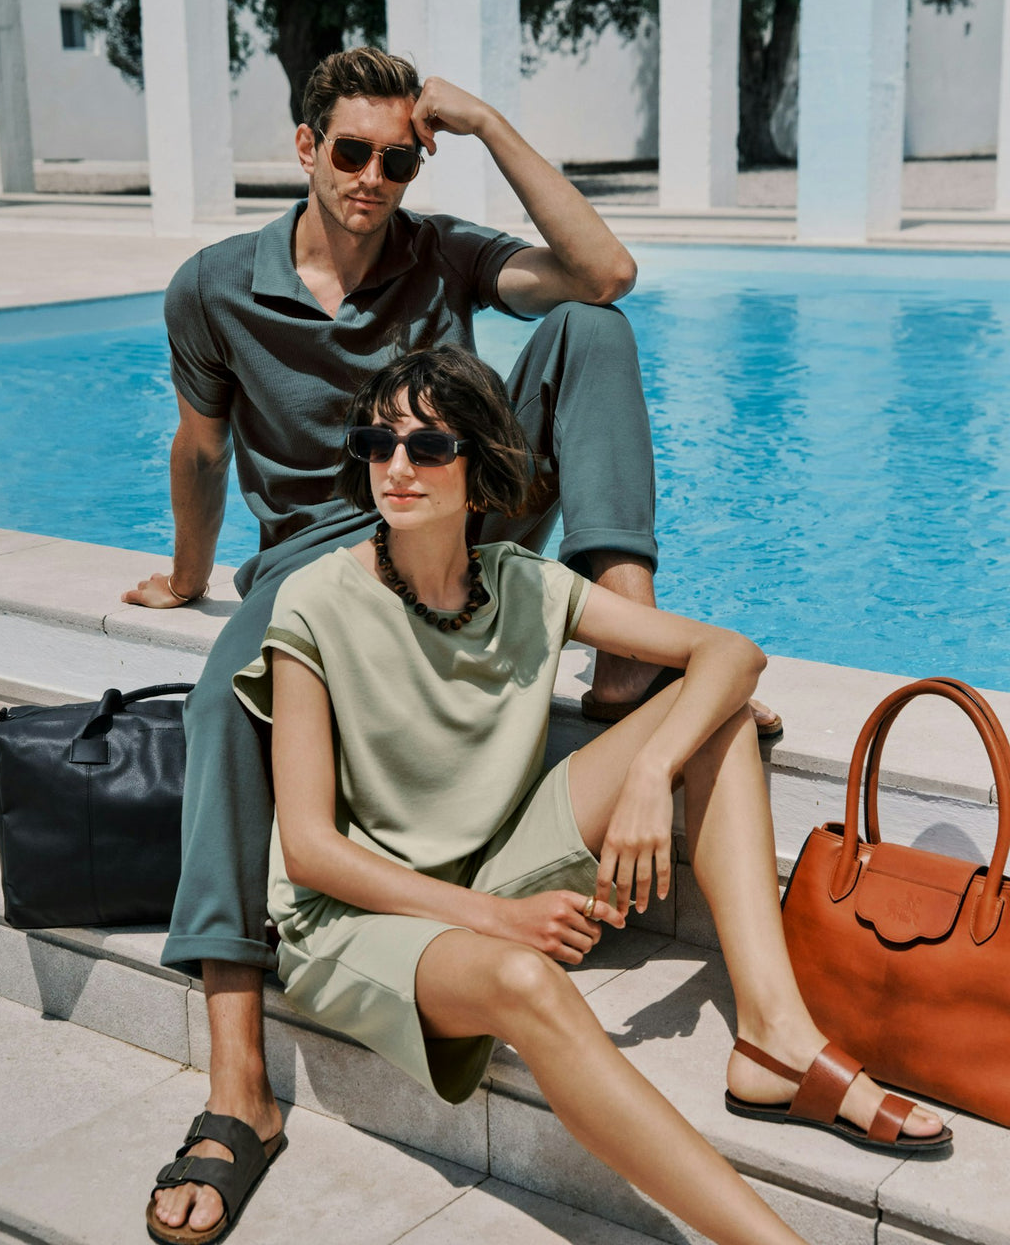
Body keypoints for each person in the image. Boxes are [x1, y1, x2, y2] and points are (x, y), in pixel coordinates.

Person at [132, 47, 779, 1242]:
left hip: (465, 493)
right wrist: (186, 576)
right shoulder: (213, 286)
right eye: (350, 152)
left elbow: (605, 269)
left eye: (398, 155)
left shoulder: (441, 248)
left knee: (592, 327)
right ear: (302, 148)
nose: (374, 176)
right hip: (316, 547)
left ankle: (628, 651)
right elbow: (200, 450)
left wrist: (482, 122)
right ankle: (237, 1082)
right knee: (229, 693)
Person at [220, 346, 947, 1245]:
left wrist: (650, 774)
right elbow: (311, 853)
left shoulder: (526, 586)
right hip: (353, 916)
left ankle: (774, 1037)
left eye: (428, 447)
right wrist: (492, 920)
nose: (396, 467)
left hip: (491, 862)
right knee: (528, 980)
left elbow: (731, 653)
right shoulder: (314, 603)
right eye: (378, 443)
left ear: (480, 465)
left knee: (716, 714)